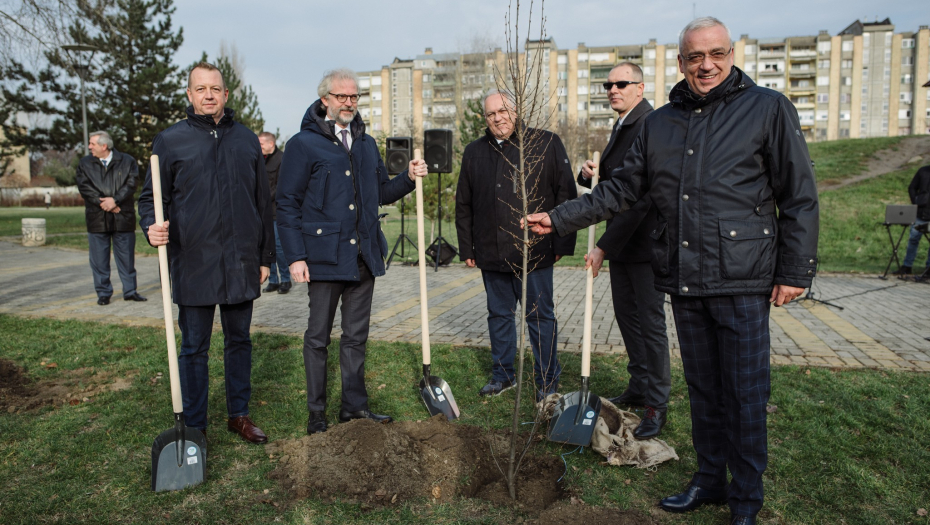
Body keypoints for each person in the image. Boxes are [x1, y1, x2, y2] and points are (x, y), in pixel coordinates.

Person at [526, 17, 819, 525]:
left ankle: (745, 497)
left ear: (732, 54)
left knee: (745, 394)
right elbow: (621, 190)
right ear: (680, 62)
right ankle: (708, 479)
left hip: (743, 278)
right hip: (685, 277)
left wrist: (794, 271)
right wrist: (558, 217)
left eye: (717, 54)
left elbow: (799, 196)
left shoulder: (768, 108)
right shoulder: (660, 123)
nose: (706, 65)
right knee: (704, 388)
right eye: (694, 57)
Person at [276, 69, 428, 435]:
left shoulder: (366, 143)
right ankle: (316, 415)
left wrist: (408, 177)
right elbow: (286, 204)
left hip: (363, 257)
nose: (348, 103)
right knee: (317, 338)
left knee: (356, 337)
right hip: (323, 258)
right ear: (324, 99)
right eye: (341, 96)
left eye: (354, 97)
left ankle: (354, 408)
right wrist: (295, 257)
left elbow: (381, 194)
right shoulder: (302, 144)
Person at [139, 62, 274, 445]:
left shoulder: (247, 140)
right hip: (193, 261)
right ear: (189, 95)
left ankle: (239, 414)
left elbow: (264, 203)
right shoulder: (170, 141)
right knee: (194, 346)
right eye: (201, 89)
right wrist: (151, 226)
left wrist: (265, 256)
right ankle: (195, 424)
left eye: (215, 88)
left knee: (239, 341)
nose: (209, 95)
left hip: (240, 262)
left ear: (226, 95)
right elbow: (151, 199)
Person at [455, 89, 577, 400]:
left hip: (535, 250)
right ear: (486, 119)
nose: (498, 117)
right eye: (491, 113)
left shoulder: (545, 143)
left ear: (516, 111)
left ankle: (547, 382)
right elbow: (464, 204)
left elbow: (565, 193)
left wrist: (562, 240)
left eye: (503, 111)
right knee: (498, 315)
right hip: (490, 251)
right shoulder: (473, 152)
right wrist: (467, 248)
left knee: (540, 318)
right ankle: (503, 375)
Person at [577, 62, 670, 440]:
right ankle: (639, 385)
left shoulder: (649, 124)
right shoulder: (623, 125)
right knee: (627, 318)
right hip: (625, 244)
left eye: (621, 83)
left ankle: (656, 404)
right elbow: (616, 183)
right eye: (608, 84)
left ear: (640, 87)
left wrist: (602, 245)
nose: (613, 89)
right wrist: (588, 176)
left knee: (650, 325)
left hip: (644, 243)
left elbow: (642, 198)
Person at [74, 131, 146, 306]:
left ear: (104, 146)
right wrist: (104, 203)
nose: (89, 147)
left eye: (92, 144)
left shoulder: (127, 161)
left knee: (127, 257)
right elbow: (84, 187)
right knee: (99, 260)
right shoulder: (84, 164)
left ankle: (130, 291)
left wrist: (115, 200)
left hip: (123, 217)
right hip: (97, 218)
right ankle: (104, 293)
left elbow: (131, 184)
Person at [259, 131, 291, 294]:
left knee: (278, 247)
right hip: (263, 213)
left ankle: (285, 279)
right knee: (266, 247)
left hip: (277, 212)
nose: (259, 147)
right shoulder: (260, 161)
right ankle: (273, 280)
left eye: (261, 144)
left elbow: (280, 186)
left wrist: (262, 198)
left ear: (271, 144)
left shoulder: (282, 159)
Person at [894, 164, 930, 275]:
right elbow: (912, 187)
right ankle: (907, 266)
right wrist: (915, 201)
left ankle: (928, 268)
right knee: (913, 239)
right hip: (920, 212)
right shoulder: (922, 171)